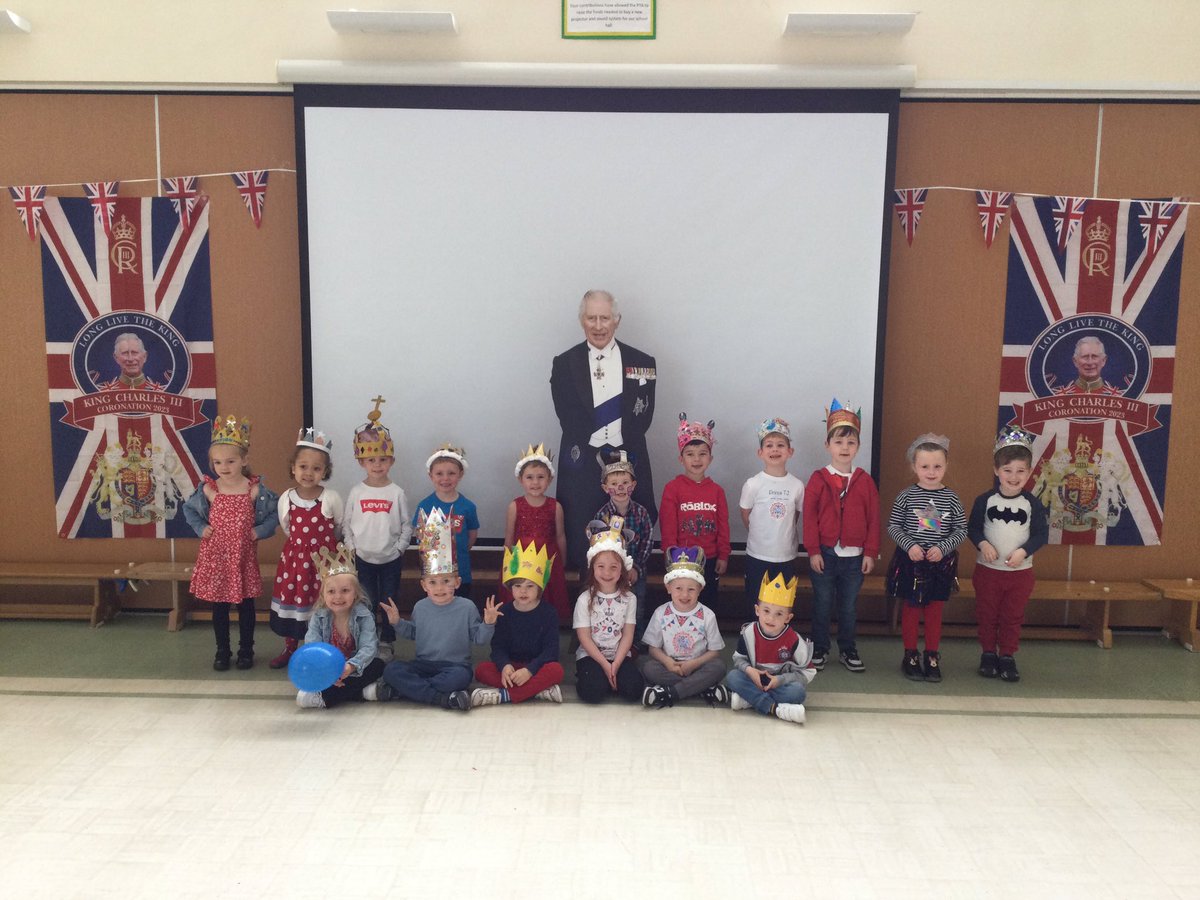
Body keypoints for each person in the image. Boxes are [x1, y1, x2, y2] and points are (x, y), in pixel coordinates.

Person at [551, 289, 657, 574]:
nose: (598, 326)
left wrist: (619, 456)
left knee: (631, 533)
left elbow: (643, 415)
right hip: (583, 464)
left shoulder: (643, 363)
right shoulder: (564, 363)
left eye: (605, 318)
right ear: (581, 320)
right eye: (591, 318)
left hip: (628, 459)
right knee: (580, 532)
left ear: (617, 320)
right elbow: (566, 416)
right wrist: (599, 449)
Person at [370, 508, 499, 711]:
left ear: (457, 582)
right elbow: (414, 633)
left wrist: (488, 623)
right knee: (392, 670)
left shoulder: (466, 607)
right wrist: (397, 622)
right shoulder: (420, 607)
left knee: (459, 679)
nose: (439, 588)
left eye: (446, 581)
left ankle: (407, 691)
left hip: (455, 667)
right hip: (423, 666)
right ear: (424, 585)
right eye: (433, 582)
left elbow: (479, 639)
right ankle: (443, 699)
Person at [183, 414, 278, 671]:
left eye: (231, 461)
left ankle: (246, 650)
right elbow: (188, 510)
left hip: (243, 558)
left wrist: (260, 531)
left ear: (244, 460)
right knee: (220, 607)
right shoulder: (209, 489)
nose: (224, 467)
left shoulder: (254, 490)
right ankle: (222, 651)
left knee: (246, 606)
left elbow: (276, 513)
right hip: (216, 559)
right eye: (218, 462)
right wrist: (201, 527)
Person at [802, 400, 880, 673]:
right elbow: (809, 518)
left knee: (848, 608)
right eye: (839, 442)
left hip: (855, 560)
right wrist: (812, 550)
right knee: (822, 605)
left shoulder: (865, 481)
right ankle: (820, 649)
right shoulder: (818, 479)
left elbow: (874, 519)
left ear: (858, 447)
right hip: (825, 555)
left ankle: (848, 649)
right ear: (828, 446)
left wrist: (870, 551)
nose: (844, 448)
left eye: (850, 443)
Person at [968, 426, 1049, 683]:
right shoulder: (985, 501)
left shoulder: (1032, 504)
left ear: (1029, 471)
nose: (1013, 477)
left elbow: (1040, 535)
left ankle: (1008, 655)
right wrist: (983, 544)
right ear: (996, 470)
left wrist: (1024, 551)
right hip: (988, 572)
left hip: (1019, 573)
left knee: (1012, 616)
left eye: (1020, 471)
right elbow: (972, 528)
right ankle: (988, 653)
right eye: (1007, 470)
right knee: (987, 614)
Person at [885, 433, 967, 683]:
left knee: (934, 611)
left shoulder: (952, 498)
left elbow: (961, 529)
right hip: (911, 563)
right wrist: (909, 545)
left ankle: (932, 655)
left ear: (946, 466)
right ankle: (910, 655)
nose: (931, 472)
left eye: (937, 466)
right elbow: (894, 526)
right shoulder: (906, 496)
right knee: (910, 610)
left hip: (939, 565)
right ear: (914, 467)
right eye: (924, 466)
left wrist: (943, 548)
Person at [268, 427, 343, 669]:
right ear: (293, 468)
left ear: (325, 471)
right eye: (303, 466)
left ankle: (323, 649)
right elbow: (288, 528)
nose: (309, 473)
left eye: (316, 468)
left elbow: (339, 528)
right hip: (296, 564)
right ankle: (291, 648)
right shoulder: (286, 498)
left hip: (325, 564)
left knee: (324, 603)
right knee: (296, 601)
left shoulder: (330, 498)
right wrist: (302, 551)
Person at [343, 399, 411, 661]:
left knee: (389, 598)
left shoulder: (397, 493)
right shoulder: (357, 492)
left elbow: (407, 524)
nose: (377, 464)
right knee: (367, 600)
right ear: (361, 462)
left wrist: (399, 548)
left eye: (383, 459)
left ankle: (388, 640)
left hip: (391, 558)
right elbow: (347, 524)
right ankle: (368, 639)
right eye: (371, 459)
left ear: (391, 460)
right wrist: (353, 548)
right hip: (363, 557)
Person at [471, 541, 564, 706]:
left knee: (556, 670)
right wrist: (505, 666)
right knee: (481, 670)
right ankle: (538, 691)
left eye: (530, 586)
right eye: (518, 586)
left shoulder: (549, 613)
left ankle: (503, 696)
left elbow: (551, 651)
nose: (523, 591)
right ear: (511, 588)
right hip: (512, 668)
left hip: (535, 668)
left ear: (539, 588)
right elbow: (498, 647)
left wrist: (529, 671)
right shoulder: (505, 612)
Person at [295, 543, 387, 709]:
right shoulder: (319, 617)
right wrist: (328, 672)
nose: (338, 597)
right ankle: (361, 692)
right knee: (305, 669)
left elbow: (368, 648)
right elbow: (313, 646)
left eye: (345, 590)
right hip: (326, 668)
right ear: (323, 594)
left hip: (354, 667)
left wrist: (350, 667)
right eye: (331, 592)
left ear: (356, 593)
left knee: (379, 665)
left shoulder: (364, 616)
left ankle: (325, 696)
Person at [639, 546, 727, 709]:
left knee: (718, 667)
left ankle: (669, 693)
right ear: (668, 588)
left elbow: (714, 651)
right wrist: (668, 662)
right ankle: (702, 688)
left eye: (691, 589)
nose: (685, 595)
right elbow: (653, 649)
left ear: (700, 589)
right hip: (669, 667)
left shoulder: (707, 615)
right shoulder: (661, 613)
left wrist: (693, 664)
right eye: (678, 588)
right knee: (648, 667)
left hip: (697, 666)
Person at [659, 414, 730, 608]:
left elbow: (723, 526)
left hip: (710, 559)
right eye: (690, 454)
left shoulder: (717, 491)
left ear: (711, 458)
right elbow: (668, 526)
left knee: (708, 605)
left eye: (702, 453)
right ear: (681, 459)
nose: (696, 459)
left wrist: (723, 555)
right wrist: (670, 557)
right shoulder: (672, 489)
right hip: (681, 560)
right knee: (681, 605)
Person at [725, 573, 815, 725]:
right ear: (757, 610)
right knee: (733, 677)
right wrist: (751, 671)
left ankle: (750, 700)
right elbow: (738, 659)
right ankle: (776, 709)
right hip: (754, 680)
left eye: (779, 614)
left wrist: (780, 680)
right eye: (766, 611)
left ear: (788, 618)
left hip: (780, 684)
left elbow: (809, 672)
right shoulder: (748, 633)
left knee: (798, 692)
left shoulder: (794, 640)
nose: (771, 618)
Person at [572, 517, 644, 704]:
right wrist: (604, 665)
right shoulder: (585, 599)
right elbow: (584, 637)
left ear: (622, 569)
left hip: (618, 654)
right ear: (592, 568)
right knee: (593, 693)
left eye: (613, 567)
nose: (607, 572)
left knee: (634, 691)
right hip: (591, 655)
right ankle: (599, 678)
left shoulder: (630, 598)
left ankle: (611, 678)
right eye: (601, 566)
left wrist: (616, 665)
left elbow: (628, 635)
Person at [739, 417, 803, 622]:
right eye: (769, 445)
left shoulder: (797, 485)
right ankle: (751, 642)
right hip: (758, 555)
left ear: (790, 452)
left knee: (781, 604)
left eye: (780, 445)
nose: (775, 450)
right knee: (755, 602)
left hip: (785, 556)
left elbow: (796, 516)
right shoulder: (753, 484)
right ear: (760, 452)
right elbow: (746, 515)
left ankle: (778, 643)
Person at [498, 443, 569, 623]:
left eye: (540, 477)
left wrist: (563, 562)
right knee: (524, 591)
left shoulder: (556, 506)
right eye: (529, 477)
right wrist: (507, 564)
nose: (535, 482)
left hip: (548, 558)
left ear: (550, 479)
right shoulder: (514, 506)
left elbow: (560, 535)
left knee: (545, 592)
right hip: (521, 558)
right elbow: (509, 536)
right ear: (521, 479)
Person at [594, 449, 654, 642]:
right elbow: (598, 547)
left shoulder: (642, 513)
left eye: (625, 483)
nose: (620, 488)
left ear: (633, 485)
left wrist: (635, 567)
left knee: (637, 607)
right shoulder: (601, 516)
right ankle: (614, 641)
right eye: (614, 484)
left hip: (636, 574)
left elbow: (647, 542)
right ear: (605, 488)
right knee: (613, 608)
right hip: (609, 575)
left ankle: (636, 643)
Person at [412, 443, 479, 603]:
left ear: (460, 474)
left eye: (451, 473)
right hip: (434, 576)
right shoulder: (424, 506)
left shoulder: (468, 506)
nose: (445, 478)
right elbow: (419, 536)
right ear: (431, 475)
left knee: (461, 607)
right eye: (439, 473)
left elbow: (472, 536)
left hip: (460, 571)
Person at [95, 332, 167, 391]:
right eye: (125, 353)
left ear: (144, 356)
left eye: (134, 353)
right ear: (116, 358)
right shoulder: (104, 393)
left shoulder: (160, 392)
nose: (130, 359)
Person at [1053, 336, 1122, 395]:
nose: (1090, 362)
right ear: (1075, 361)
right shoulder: (1061, 397)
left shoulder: (1118, 397)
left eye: (1094, 356)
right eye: (1085, 357)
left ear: (1103, 361)